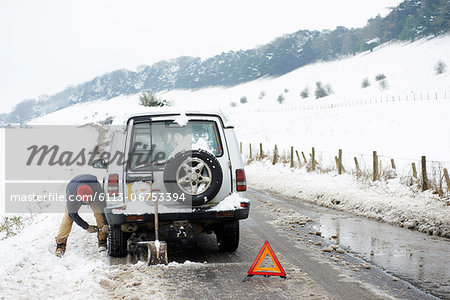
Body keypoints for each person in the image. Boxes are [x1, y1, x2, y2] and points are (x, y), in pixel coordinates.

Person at [55, 174, 108, 257]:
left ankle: (102, 240)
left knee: (99, 214)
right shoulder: (71, 195)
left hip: (93, 191)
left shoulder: (97, 188)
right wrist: (86, 227)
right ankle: (60, 244)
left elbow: (102, 206)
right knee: (68, 218)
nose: (87, 204)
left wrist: (105, 223)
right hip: (74, 187)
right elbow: (72, 214)